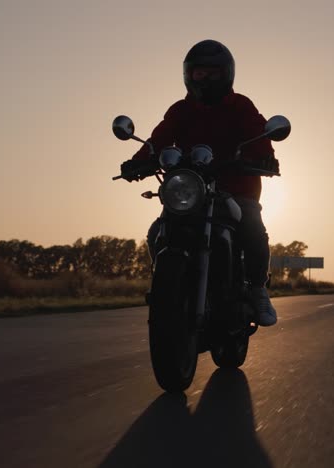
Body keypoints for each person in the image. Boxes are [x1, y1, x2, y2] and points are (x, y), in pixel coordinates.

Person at [120, 39, 280, 326]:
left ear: (227, 75)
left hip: (236, 190)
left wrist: (265, 158)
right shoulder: (180, 110)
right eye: (200, 74)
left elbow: (260, 136)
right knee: (158, 230)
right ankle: (168, 285)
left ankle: (257, 290)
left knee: (253, 230)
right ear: (188, 75)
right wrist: (138, 161)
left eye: (213, 74)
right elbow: (158, 140)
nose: (206, 79)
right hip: (189, 190)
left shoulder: (241, 106)